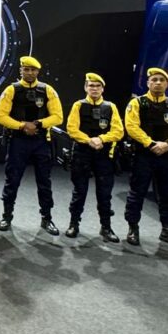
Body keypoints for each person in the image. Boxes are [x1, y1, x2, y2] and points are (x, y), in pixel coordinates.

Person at [0, 55, 64, 235]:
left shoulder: (48, 90)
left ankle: (47, 218)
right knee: (12, 180)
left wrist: (38, 124)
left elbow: (58, 117)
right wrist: (22, 126)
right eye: (26, 69)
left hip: (41, 142)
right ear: (21, 71)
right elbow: (0, 116)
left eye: (33, 70)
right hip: (18, 141)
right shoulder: (11, 90)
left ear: (38, 72)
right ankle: (6, 216)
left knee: (44, 182)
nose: (30, 73)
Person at [123, 67, 168, 249]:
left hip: (167, 156)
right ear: (148, 83)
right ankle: (133, 228)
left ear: (167, 84)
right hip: (144, 155)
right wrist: (151, 144)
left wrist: (167, 144)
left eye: (162, 80)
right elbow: (131, 126)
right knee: (137, 193)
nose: (158, 83)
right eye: (154, 80)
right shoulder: (137, 103)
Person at [64, 73, 124, 242]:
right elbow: (72, 129)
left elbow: (118, 131)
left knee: (105, 194)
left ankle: (106, 227)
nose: (94, 89)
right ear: (85, 88)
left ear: (103, 89)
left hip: (103, 155)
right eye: (91, 86)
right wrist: (89, 140)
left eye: (98, 86)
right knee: (79, 192)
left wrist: (101, 139)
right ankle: (73, 224)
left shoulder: (110, 107)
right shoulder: (78, 105)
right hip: (82, 153)